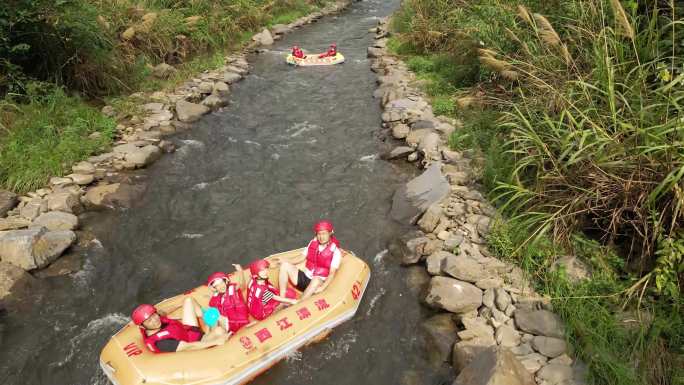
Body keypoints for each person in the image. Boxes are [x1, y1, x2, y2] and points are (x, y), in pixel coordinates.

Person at [132, 298, 229, 353]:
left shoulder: (156, 320)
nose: (155, 320)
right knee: (219, 330)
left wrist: (179, 304)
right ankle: (217, 326)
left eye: (154, 315)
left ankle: (209, 322)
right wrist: (216, 342)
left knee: (188, 301)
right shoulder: (161, 342)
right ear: (142, 326)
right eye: (149, 321)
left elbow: (162, 312)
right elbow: (188, 347)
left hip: (188, 331)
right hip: (195, 343)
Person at [278, 220, 342, 300]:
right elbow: (301, 257)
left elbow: (332, 273)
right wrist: (286, 260)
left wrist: (322, 288)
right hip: (305, 278)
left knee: (316, 280)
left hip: (318, 282)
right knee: (285, 265)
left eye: (324, 234)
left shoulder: (335, 252)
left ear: (330, 233)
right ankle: (282, 298)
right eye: (319, 234)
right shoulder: (312, 243)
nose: (321, 237)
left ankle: (299, 304)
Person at [207, 267, 250, 333]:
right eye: (217, 285)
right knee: (210, 313)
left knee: (214, 315)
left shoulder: (232, 289)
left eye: (222, 283)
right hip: (226, 323)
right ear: (215, 288)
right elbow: (211, 309)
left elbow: (242, 285)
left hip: (238, 322)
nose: (221, 286)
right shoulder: (216, 296)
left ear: (226, 282)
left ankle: (213, 335)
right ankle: (209, 334)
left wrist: (240, 271)